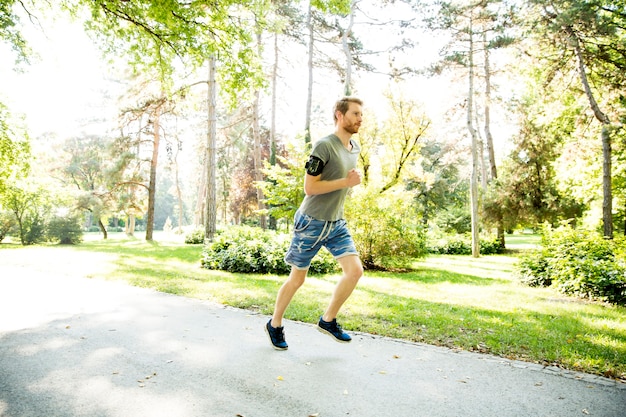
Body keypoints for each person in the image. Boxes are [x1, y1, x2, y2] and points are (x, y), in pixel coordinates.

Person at [265, 97, 364, 350]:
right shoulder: (323, 146)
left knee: (354, 272)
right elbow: (310, 187)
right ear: (339, 116)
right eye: (355, 114)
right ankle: (275, 324)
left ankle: (327, 320)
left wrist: (349, 182)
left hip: (336, 222)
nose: (360, 118)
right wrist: (346, 182)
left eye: (361, 114)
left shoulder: (355, 146)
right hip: (310, 222)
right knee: (297, 279)